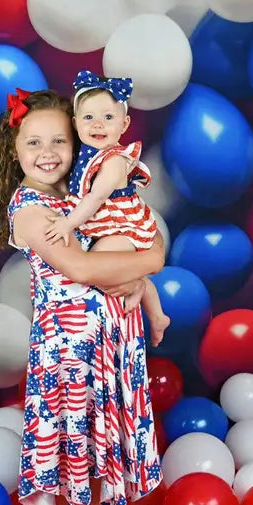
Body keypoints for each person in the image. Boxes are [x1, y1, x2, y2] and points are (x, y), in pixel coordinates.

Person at [0, 87, 164, 505]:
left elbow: (123, 237)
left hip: (113, 340)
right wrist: (152, 264)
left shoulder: (86, 196)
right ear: (14, 151)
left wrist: (140, 273)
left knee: (105, 444)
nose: (47, 154)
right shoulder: (27, 211)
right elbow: (82, 268)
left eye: (59, 141)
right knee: (70, 444)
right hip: (70, 351)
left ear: (77, 143)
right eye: (33, 143)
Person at [42, 70, 171, 347]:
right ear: (75, 123)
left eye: (108, 118)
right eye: (89, 118)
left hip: (122, 226)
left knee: (100, 263)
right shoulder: (83, 154)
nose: (98, 125)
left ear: (124, 125)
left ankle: (139, 286)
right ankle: (157, 315)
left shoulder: (113, 160)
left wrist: (67, 223)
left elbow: (96, 198)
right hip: (101, 223)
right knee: (97, 268)